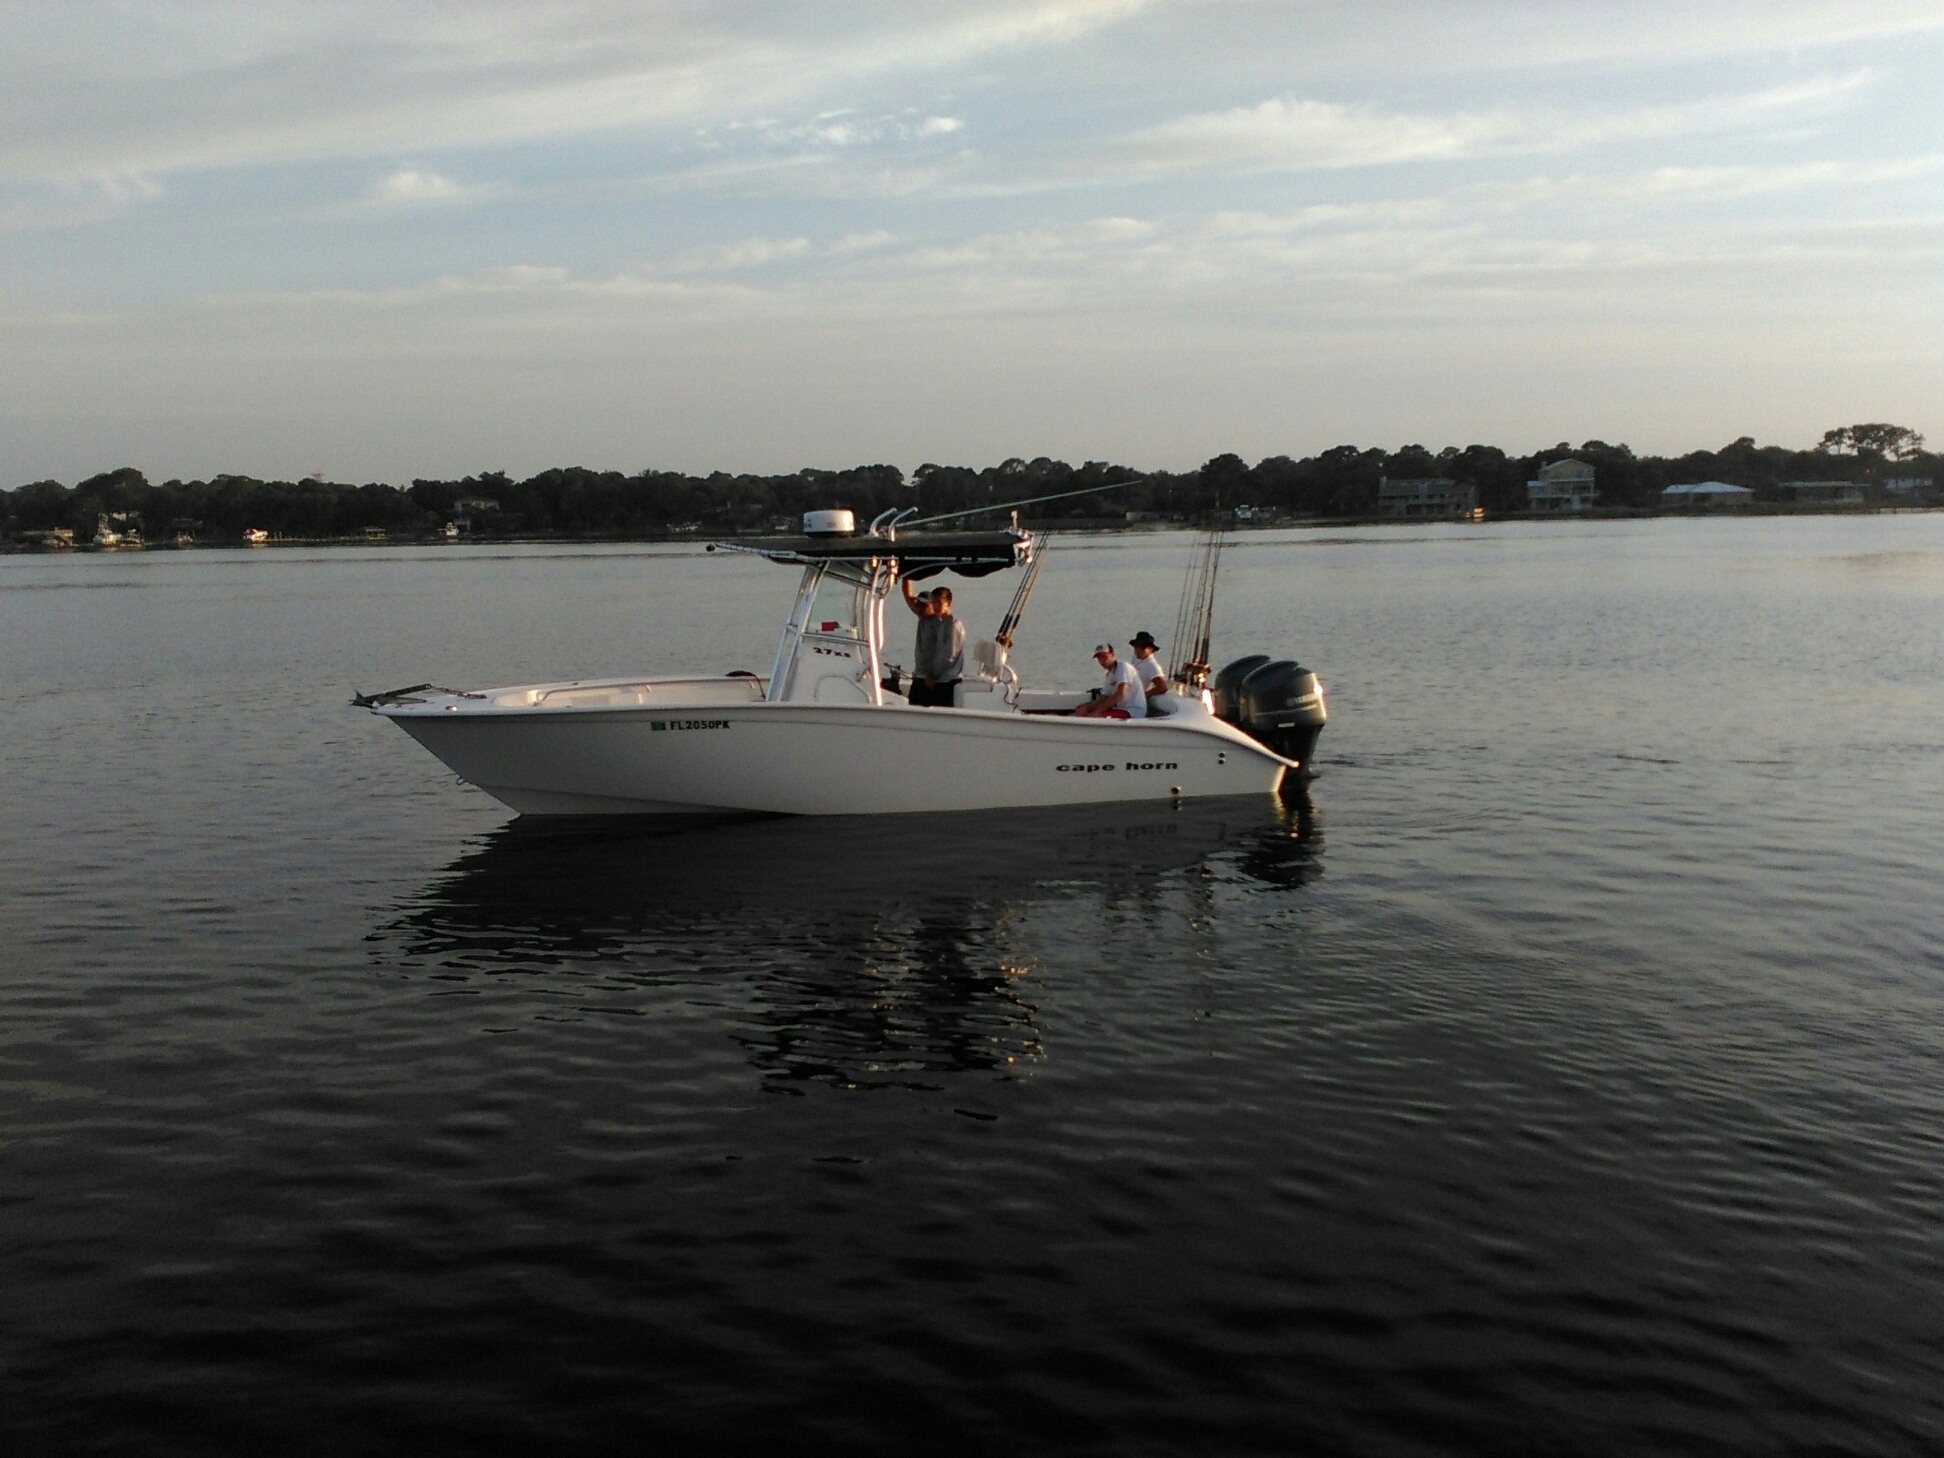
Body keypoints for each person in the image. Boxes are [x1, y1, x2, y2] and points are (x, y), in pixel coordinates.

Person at [900, 575, 965, 707]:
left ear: (948, 603)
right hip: (926, 677)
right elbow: (909, 597)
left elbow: (947, 655)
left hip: (938, 680)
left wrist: (933, 676)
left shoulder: (945, 623)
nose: (920, 607)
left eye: (926, 604)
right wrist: (906, 574)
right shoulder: (926, 619)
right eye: (920, 604)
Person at [1072, 642, 1145, 718]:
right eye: (1099, 658)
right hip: (1120, 709)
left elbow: (1120, 694)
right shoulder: (1109, 675)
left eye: (1104, 656)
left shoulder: (1123, 667)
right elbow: (1104, 698)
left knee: (1097, 716)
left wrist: (1096, 712)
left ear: (1113, 654)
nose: (1102, 660)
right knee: (1085, 713)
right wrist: (1087, 707)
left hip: (1133, 711)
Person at [1128, 631, 1169, 702]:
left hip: (1135, 702)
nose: (1138, 649)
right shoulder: (1136, 658)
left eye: (1142, 647)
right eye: (1136, 646)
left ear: (1151, 649)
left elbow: (1162, 687)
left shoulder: (1152, 665)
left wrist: (1142, 696)